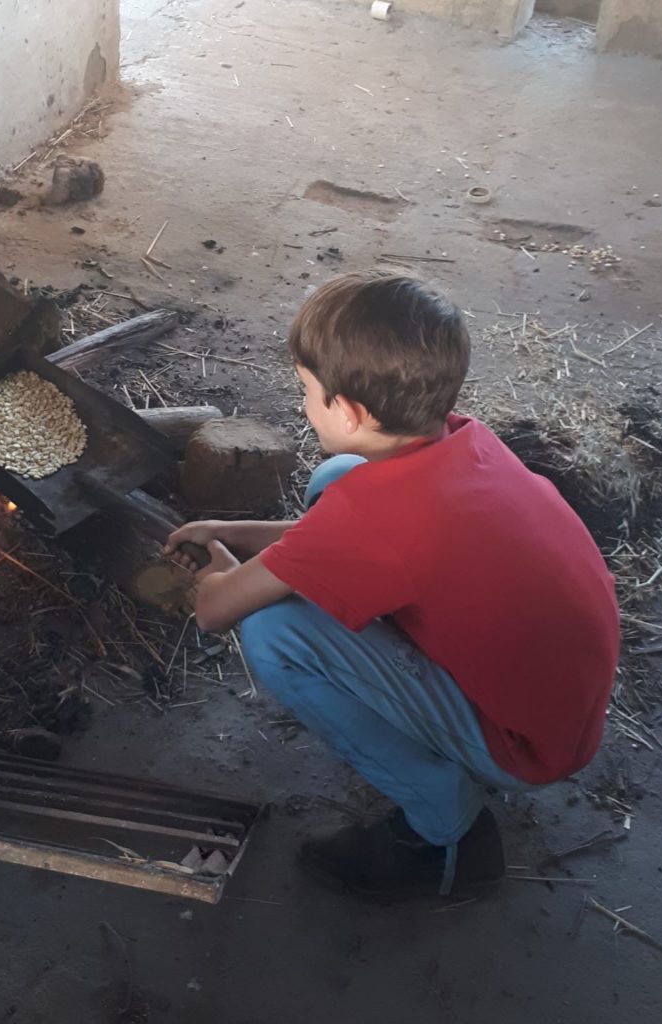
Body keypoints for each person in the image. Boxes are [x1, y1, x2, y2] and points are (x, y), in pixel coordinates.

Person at [165, 272, 620, 900]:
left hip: (524, 746)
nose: (303, 404)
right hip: (560, 705)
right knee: (340, 473)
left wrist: (219, 563)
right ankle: (444, 755)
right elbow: (338, 530)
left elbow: (217, 610)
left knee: (273, 631)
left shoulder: (376, 522)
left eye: (306, 391)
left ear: (347, 409)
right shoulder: (465, 442)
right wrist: (233, 530)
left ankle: (446, 832)